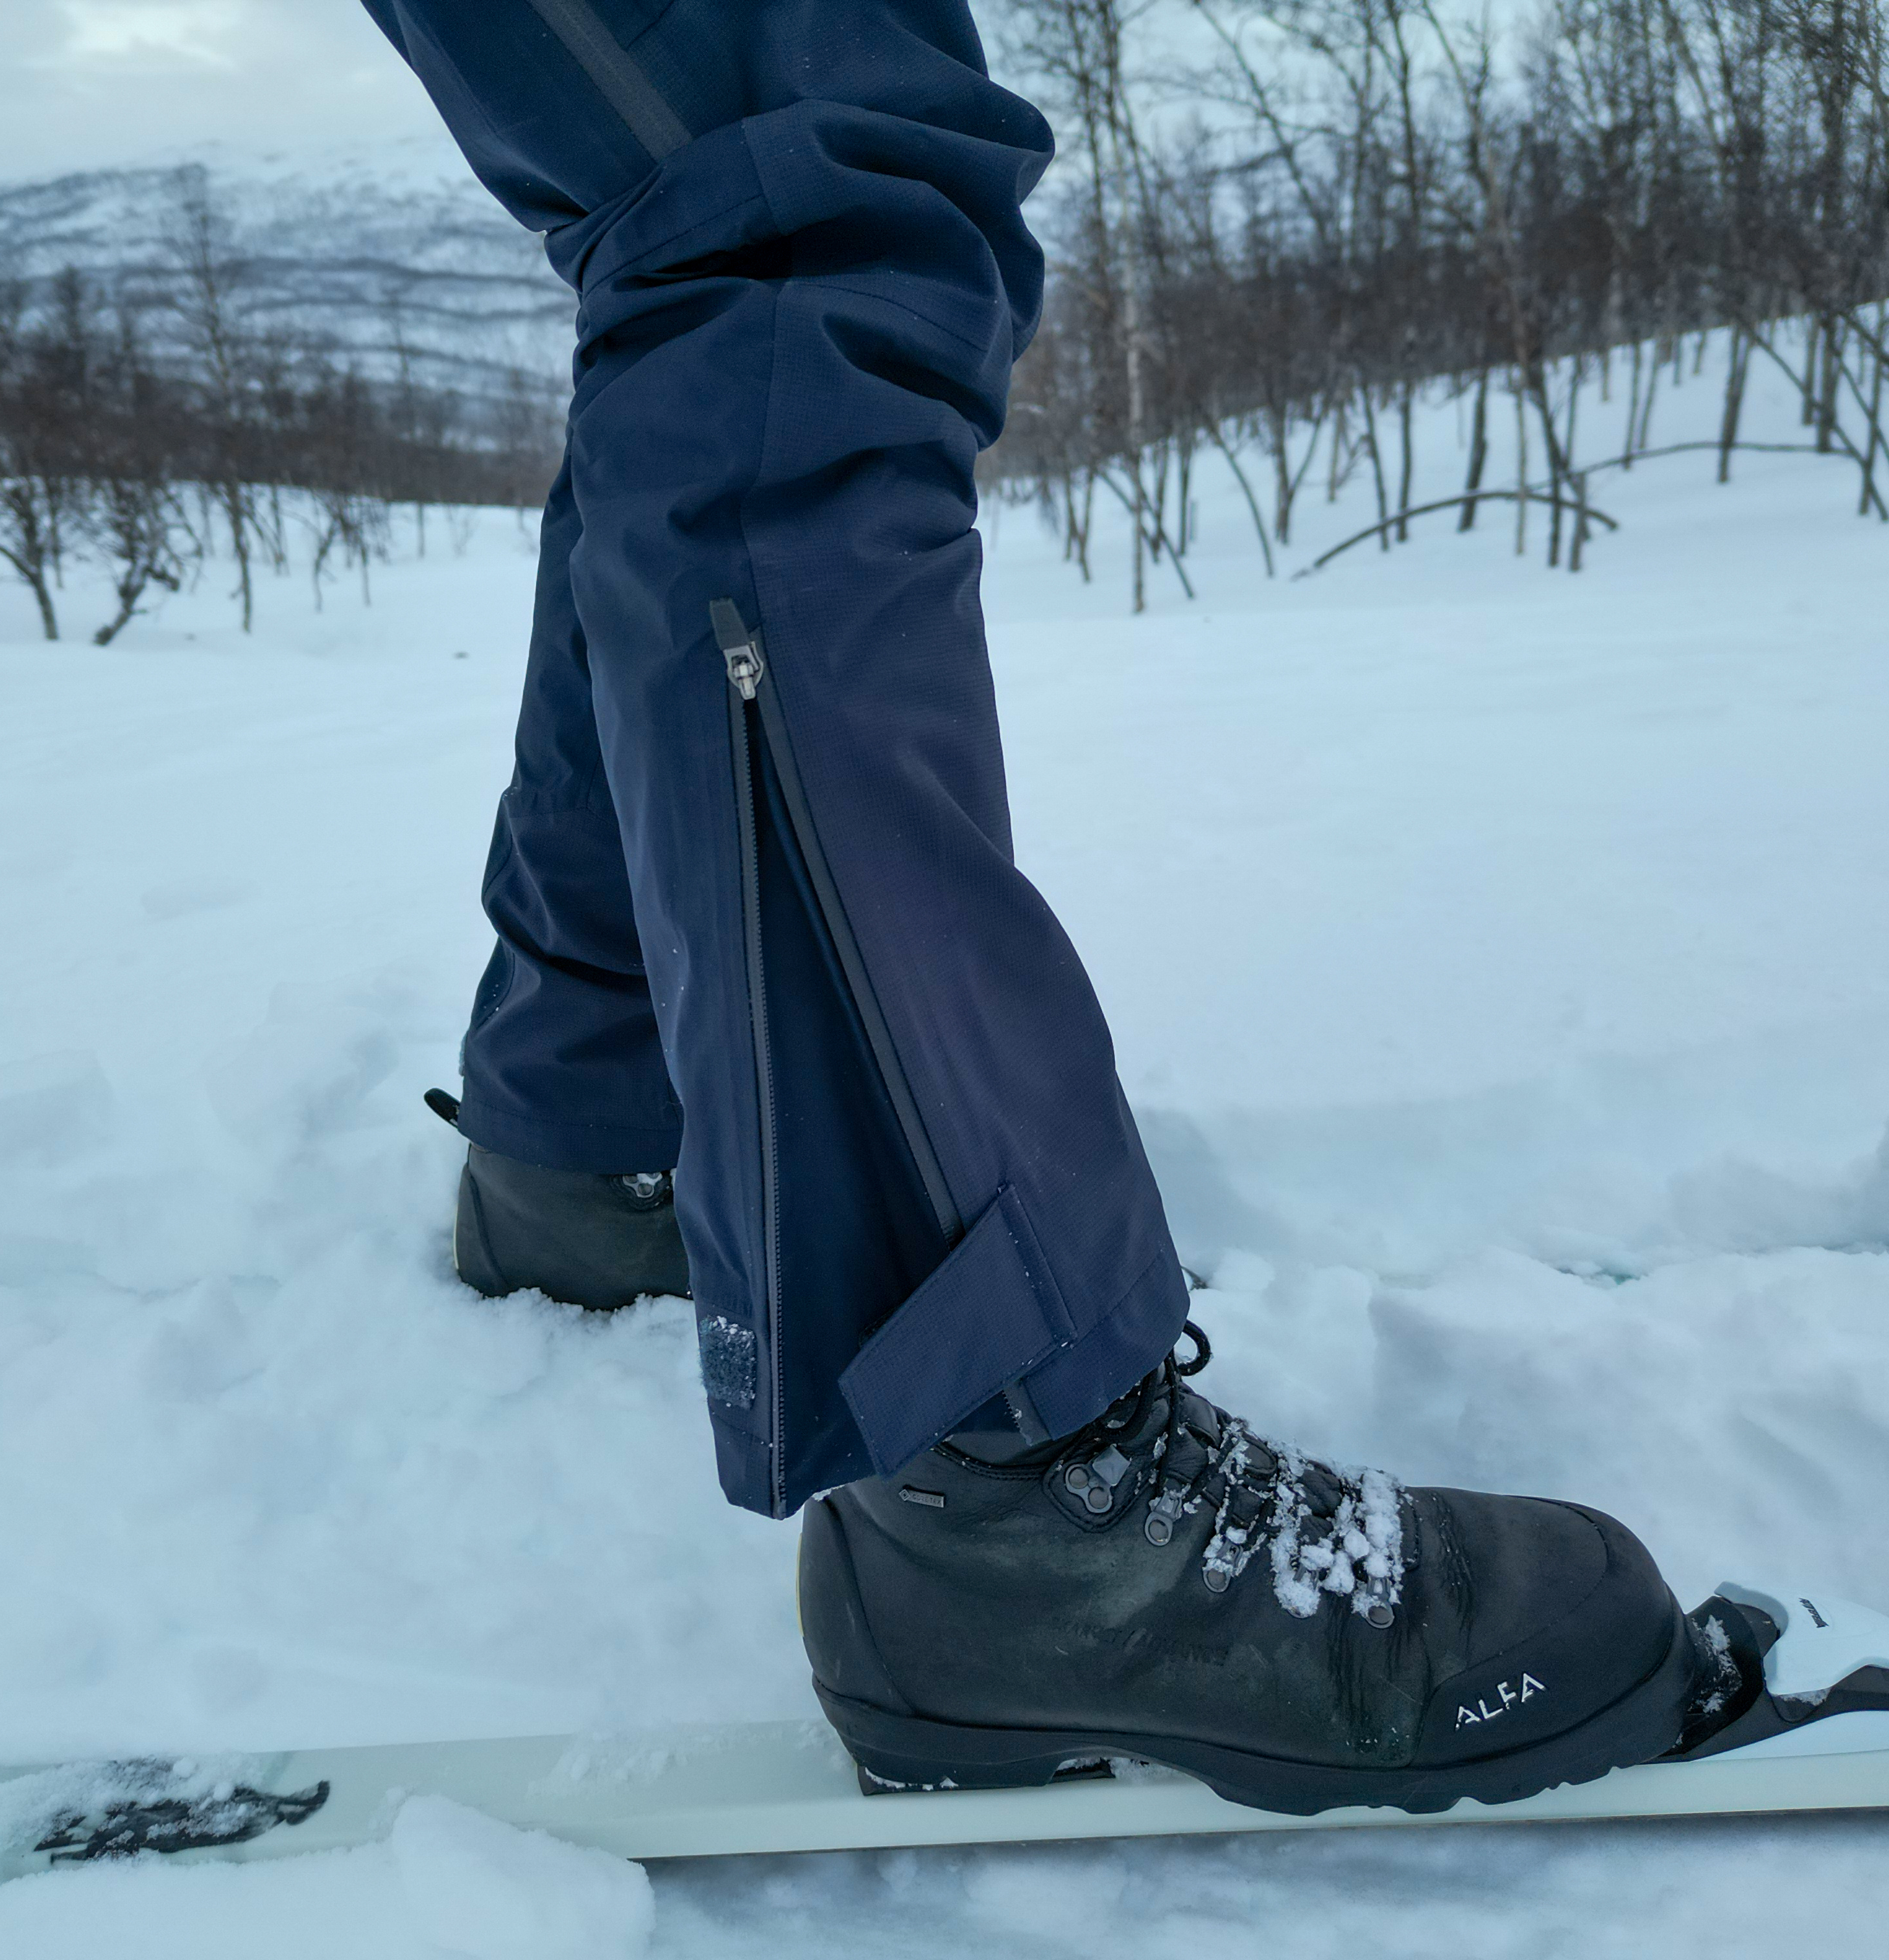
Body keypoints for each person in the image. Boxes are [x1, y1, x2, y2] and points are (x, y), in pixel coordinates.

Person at [359, 0, 1704, 1812]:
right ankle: (1006, 1479)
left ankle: (598, 1138)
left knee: (720, 220)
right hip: (1004, 1492)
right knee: (805, 217)